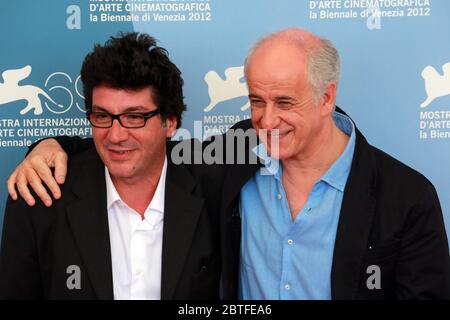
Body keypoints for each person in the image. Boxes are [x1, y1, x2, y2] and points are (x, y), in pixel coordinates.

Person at [7, 28, 450, 299]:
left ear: (327, 98)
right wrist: (48, 145)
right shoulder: (238, 153)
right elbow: (137, 148)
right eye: (256, 100)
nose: (267, 119)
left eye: (284, 101)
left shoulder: (404, 196)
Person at [0, 32, 227, 300]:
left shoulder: (214, 184)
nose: (116, 135)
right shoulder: (40, 195)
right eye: (103, 116)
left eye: (134, 117)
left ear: (171, 122)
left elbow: (267, 129)